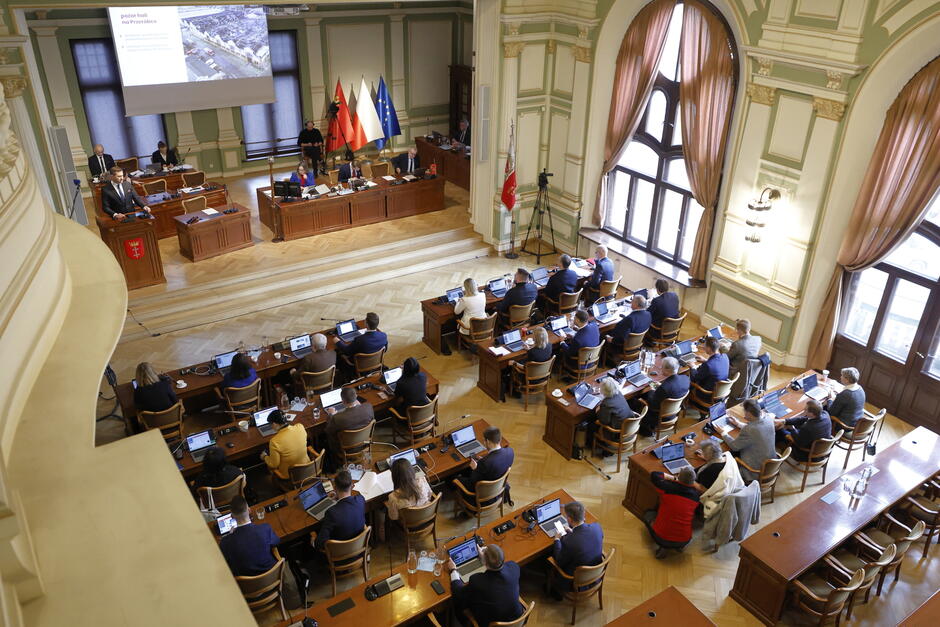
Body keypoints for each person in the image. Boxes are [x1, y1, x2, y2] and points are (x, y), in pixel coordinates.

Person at [447, 545, 523, 626]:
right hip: (517, 618)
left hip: (492, 624)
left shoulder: (477, 581)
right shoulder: (514, 567)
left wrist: (453, 570)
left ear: (484, 562)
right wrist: (485, 557)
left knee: (460, 601)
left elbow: (458, 593)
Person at [645, 467, 700, 558]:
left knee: (648, 514)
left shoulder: (668, 488)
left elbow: (655, 475)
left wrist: (674, 478)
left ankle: (663, 548)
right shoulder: (696, 496)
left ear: (679, 477)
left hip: (661, 537)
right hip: (685, 539)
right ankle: (678, 546)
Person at [219, 496, 280, 576]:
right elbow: (277, 541)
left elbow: (224, 559)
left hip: (248, 585)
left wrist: (230, 536)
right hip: (272, 575)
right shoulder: (265, 528)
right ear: (249, 510)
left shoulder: (225, 542)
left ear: (232, 517)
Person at [722, 399, 775, 482]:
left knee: (725, 457)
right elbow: (757, 430)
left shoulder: (749, 430)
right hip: (771, 466)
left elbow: (734, 446)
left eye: (744, 411)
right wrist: (738, 424)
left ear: (749, 413)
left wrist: (723, 433)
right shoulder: (768, 419)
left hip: (754, 471)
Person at [551, 501, 603, 585]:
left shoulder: (569, 542)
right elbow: (586, 540)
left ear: (570, 519)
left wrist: (557, 539)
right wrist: (573, 532)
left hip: (575, 581)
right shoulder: (597, 527)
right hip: (596, 574)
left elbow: (559, 561)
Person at [313, 469, 365, 549]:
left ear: (334, 487)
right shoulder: (360, 500)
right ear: (352, 485)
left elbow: (320, 544)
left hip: (339, 557)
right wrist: (338, 497)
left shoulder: (331, 513)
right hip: (359, 549)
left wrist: (313, 540)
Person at [638, 357, 689, 437]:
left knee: (641, 397)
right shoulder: (685, 379)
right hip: (674, 412)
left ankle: (646, 431)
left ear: (667, 370)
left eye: (662, 367)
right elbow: (672, 390)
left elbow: (652, 405)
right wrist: (660, 387)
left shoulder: (664, 388)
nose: (661, 369)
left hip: (660, 416)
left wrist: (651, 390)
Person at [455, 426, 513, 493]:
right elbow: (494, 462)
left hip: (482, 493)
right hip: (498, 486)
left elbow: (473, 480)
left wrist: (475, 469)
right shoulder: (510, 451)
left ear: (487, 441)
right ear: (499, 439)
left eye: (484, 441)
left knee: (455, 478)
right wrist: (485, 460)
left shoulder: (485, 463)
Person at [325, 387, 374, 461]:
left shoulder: (337, 418)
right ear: (356, 397)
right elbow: (370, 419)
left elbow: (328, 431)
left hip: (346, 448)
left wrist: (331, 415)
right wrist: (360, 406)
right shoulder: (368, 407)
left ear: (343, 401)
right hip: (365, 442)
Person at [261, 410, 310, 481]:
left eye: (270, 425)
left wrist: (265, 456)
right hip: (308, 468)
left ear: (274, 424)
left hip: (290, 477)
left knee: (268, 477)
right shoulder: (300, 427)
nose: (271, 427)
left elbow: (274, 464)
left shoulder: (274, 441)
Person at [386, 457, 433, 522]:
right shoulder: (422, 479)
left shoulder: (393, 497)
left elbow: (394, 517)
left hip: (409, 523)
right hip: (426, 516)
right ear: (411, 470)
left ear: (394, 476)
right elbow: (430, 495)